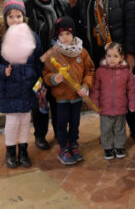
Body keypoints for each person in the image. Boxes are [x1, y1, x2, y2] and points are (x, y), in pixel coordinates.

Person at [73, 0, 135, 142]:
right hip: (95, 51)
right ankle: (110, 131)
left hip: (117, 52)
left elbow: (131, 24)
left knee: (124, 92)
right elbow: (78, 15)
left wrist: (129, 53)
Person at [0, 0, 42, 169]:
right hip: (8, 87)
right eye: (11, 17)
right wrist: (3, 70)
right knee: (12, 121)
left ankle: (24, 150)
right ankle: (10, 151)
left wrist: (34, 76)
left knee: (26, 120)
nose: (15, 20)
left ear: (23, 17)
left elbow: (38, 59)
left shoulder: (32, 36)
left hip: (26, 86)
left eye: (18, 16)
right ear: (5, 18)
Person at [24, 0, 71, 150]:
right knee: (41, 103)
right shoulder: (26, 8)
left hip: (60, 63)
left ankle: (61, 134)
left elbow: (71, 30)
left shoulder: (63, 4)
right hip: (38, 63)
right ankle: (40, 135)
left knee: (60, 101)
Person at [41, 16, 95, 165]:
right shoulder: (53, 54)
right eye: (61, 35)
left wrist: (85, 86)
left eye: (68, 34)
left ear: (74, 35)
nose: (64, 38)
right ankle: (63, 147)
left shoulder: (82, 52)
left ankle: (73, 144)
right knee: (61, 123)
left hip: (77, 96)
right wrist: (53, 79)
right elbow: (45, 73)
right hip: (61, 97)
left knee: (75, 122)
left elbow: (90, 70)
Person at [91, 42, 135, 160]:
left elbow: (132, 90)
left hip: (120, 107)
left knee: (120, 129)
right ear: (105, 56)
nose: (111, 59)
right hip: (105, 108)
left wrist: (133, 104)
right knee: (105, 129)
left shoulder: (126, 72)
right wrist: (94, 103)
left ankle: (119, 147)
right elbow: (95, 89)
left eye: (115, 56)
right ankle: (107, 148)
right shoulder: (100, 71)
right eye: (109, 56)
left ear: (122, 57)